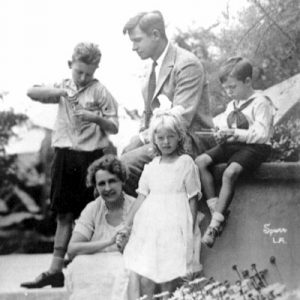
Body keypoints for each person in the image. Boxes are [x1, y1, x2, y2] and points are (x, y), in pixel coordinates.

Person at [21, 42, 119, 288]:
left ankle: (91, 269)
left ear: (96, 69)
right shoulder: (63, 86)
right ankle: (55, 270)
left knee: (93, 214)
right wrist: (61, 93)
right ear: (70, 66)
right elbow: (31, 92)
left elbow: (115, 126)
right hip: (65, 156)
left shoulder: (100, 91)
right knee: (63, 213)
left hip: (91, 159)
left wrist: (96, 118)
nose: (84, 77)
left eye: (89, 72)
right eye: (79, 72)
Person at [121, 10, 214, 197]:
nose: (133, 47)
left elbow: (180, 120)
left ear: (155, 35)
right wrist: (138, 137)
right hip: (162, 139)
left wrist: (141, 140)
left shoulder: (187, 64)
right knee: (111, 167)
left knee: (124, 168)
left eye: (137, 40)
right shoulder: (151, 69)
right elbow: (148, 116)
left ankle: (131, 222)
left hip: (189, 140)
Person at [120, 107, 202, 300]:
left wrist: (190, 229)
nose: (166, 142)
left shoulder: (185, 163)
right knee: (146, 276)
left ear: (179, 137)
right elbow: (141, 197)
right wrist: (127, 224)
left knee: (169, 275)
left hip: (174, 225)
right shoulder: (150, 167)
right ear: (154, 139)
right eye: (161, 138)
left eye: (171, 137)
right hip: (150, 227)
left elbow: (192, 198)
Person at [195, 57, 276, 248]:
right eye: (226, 89)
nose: (229, 92)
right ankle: (217, 209)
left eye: (233, 87)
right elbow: (226, 126)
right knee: (200, 162)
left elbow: (262, 134)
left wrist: (234, 133)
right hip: (235, 144)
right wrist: (221, 134)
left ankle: (214, 225)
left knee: (230, 172)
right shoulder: (232, 105)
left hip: (256, 147)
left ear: (248, 81)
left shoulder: (261, 102)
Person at [65, 155, 135, 300]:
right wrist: (109, 242)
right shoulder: (93, 209)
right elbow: (72, 249)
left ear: (122, 180)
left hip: (127, 262)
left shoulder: (135, 207)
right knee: (79, 264)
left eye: (112, 181)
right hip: (97, 261)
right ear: (95, 186)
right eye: (101, 184)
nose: (107, 188)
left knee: (127, 270)